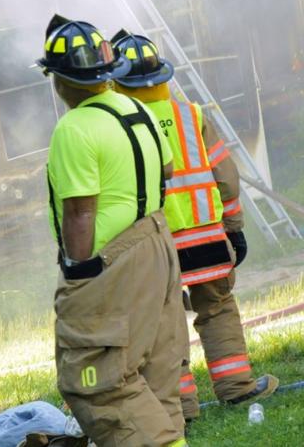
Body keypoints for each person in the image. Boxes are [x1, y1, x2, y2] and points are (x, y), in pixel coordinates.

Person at [37, 15, 187, 447]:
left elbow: (81, 212)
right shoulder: (135, 108)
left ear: (60, 80)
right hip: (158, 242)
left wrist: (77, 270)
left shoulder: (74, 127)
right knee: (154, 373)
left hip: (109, 261)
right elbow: (168, 167)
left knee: (97, 379)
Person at [111, 30, 277, 420]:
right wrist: (233, 226)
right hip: (206, 237)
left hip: (156, 247)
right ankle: (236, 387)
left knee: (164, 325)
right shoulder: (192, 115)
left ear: (117, 81)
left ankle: (182, 407)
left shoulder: (121, 124)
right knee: (217, 307)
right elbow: (226, 176)